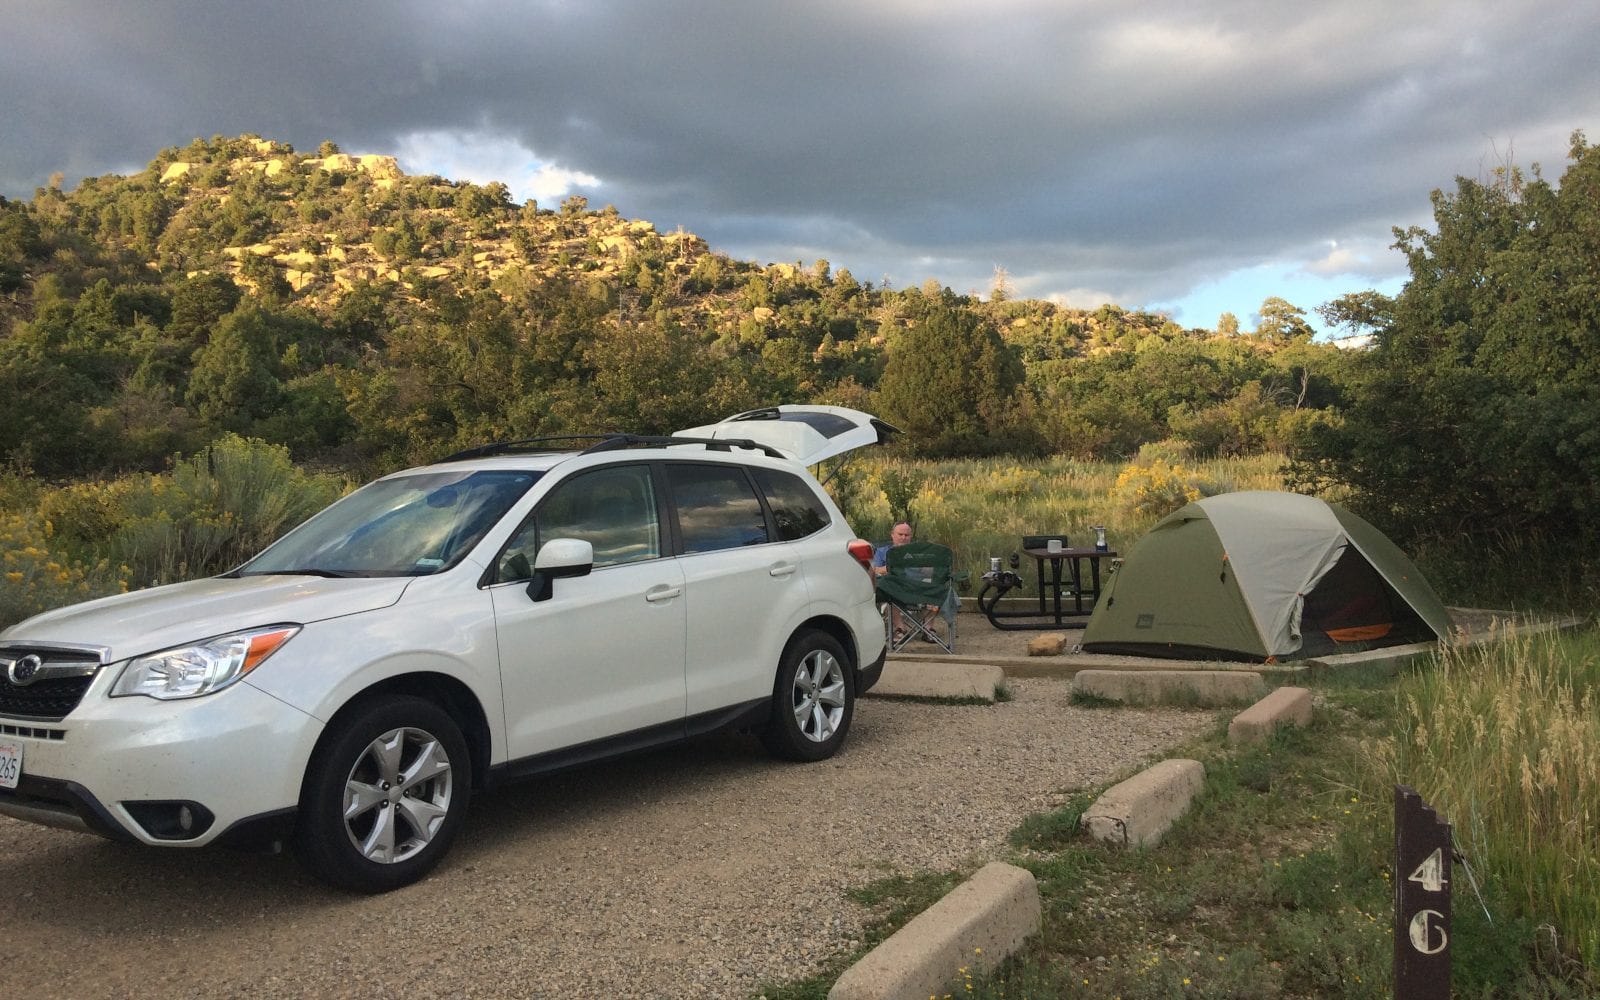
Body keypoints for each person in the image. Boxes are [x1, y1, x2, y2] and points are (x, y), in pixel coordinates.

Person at [872, 521, 941, 643]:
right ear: (892, 535)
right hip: (894, 591)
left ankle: (928, 629)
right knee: (888, 592)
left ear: (911, 537)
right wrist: (893, 567)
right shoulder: (882, 552)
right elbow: (875, 570)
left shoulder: (918, 552)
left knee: (934, 588)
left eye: (907, 535)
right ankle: (900, 629)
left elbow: (929, 573)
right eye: (900, 534)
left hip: (917, 591)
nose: (903, 538)